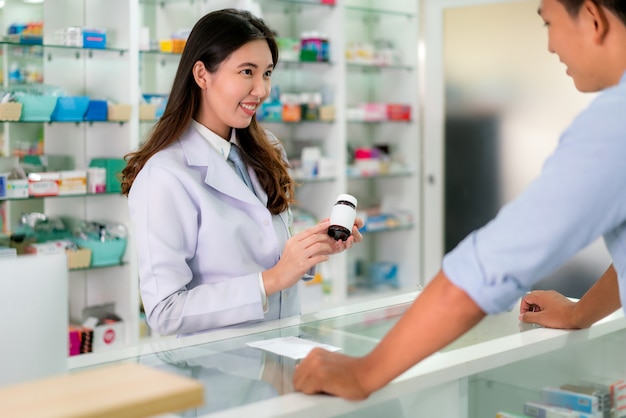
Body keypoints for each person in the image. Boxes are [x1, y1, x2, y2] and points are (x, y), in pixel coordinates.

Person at [293, 0, 626, 400]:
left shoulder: (614, 125)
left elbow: (492, 265)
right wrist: (578, 312)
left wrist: (364, 373)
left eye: (548, 23)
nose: (552, 45)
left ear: (592, 18)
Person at [121, 9, 362, 337]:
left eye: (266, 73)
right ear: (202, 74)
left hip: (278, 356)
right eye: (247, 72)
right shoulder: (165, 176)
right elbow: (165, 311)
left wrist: (312, 249)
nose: (261, 90)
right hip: (215, 371)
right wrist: (273, 278)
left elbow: (266, 257)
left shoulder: (268, 150)